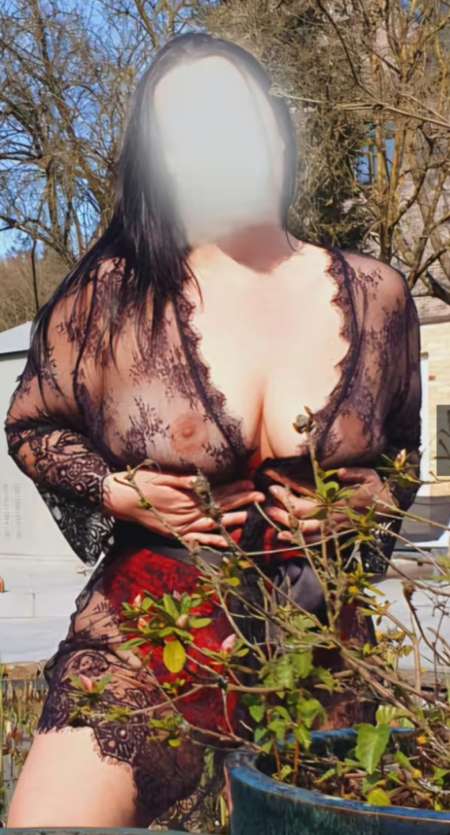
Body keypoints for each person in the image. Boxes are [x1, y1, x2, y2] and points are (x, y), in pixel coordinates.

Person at [3, 31, 422, 830]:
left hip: (321, 649)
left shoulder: (378, 297)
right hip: (148, 637)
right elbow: (32, 425)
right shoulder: (115, 296)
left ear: (273, 127)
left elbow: (402, 451)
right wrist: (114, 489)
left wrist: (365, 500)